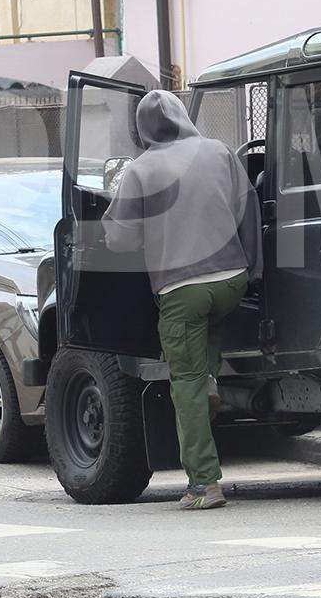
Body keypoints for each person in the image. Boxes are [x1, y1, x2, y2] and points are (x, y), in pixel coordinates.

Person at [104, 89, 261, 510]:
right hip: (232, 281)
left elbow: (118, 240)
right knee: (204, 338)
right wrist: (251, 269)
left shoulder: (140, 171)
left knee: (184, 383)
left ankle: (204, 484)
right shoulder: (220, 151)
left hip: (181, 291)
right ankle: (210, 381)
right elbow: (250, 208)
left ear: (142, 129)